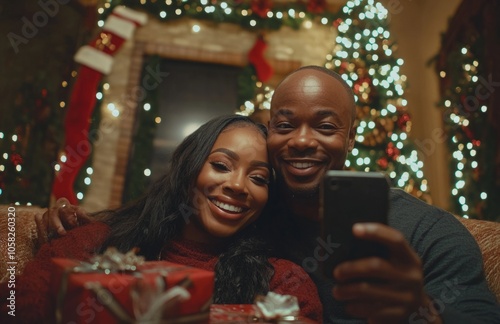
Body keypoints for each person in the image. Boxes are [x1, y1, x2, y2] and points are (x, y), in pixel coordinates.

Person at [38, 66, 500, 323]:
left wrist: (419, 314)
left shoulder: (430, 234)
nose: (301, 140)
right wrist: (68, 221)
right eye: (284, 125)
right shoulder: (256, 214)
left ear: (350, 139)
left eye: (324, 126)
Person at [0, 115, 322, 323]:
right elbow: (17, 308)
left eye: (259, 178)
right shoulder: (96, 242)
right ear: (187, 169)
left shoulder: (281, 282)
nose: (237, 186)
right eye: (221, 165)